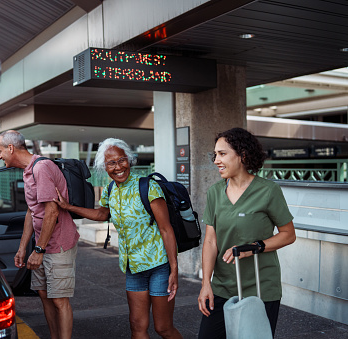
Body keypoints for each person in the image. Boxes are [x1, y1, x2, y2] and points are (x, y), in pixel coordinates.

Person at [54, 137, 183, 339]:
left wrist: (174, 270)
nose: (118, 167)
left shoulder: (148, 187)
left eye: (121, 160)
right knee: (137, 327)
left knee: (163, 328)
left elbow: (166, 230)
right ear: (105, 167)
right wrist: (69, 207)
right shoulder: (110, 190)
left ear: (129, 160)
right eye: (111, 163)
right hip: (133, 268)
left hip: (158, 266)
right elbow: (102, 214)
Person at [197, 127, 296, 338]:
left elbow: (288, 234)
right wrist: (206, 283)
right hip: (222, 286)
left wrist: (254, 248)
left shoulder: (268, 191)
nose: (216, 160)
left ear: (242, 155)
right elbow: (211, 242)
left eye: (222, 154)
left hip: (261, 287)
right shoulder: (215, 192)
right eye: (214, 154)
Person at [0, 130, 80, 339]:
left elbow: (52, 211)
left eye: (0, 151)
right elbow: (32, 211)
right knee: (44, 295)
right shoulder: (28, 171)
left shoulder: (41, 168)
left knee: (59, 299)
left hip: (58, 244)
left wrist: (38, 250)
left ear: (10, 148)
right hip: (42, 244)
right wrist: (23, 248)